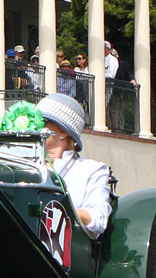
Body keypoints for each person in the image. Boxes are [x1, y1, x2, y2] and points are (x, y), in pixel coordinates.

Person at [37, 93, 111, 237]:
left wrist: (59, 210)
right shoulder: (23, 164)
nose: (35, 125)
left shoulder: (91, 170)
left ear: (63, 131)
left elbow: (98, 218)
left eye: (43, 121)